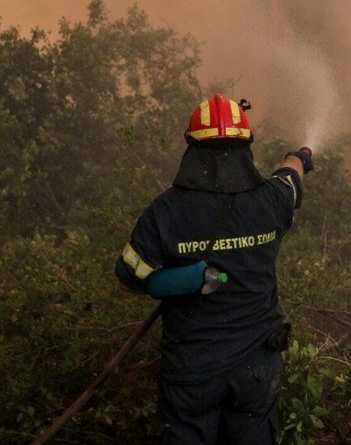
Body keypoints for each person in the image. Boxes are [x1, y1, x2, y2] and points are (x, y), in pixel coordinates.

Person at [115, 94, 313, 444]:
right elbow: (290, 178)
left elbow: (128, 280)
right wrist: (298, 157)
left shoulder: (165, 211)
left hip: (192, 372)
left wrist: (169, 281)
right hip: (257, 369)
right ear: (246, 146)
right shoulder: (270, 199)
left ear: (192, 146)